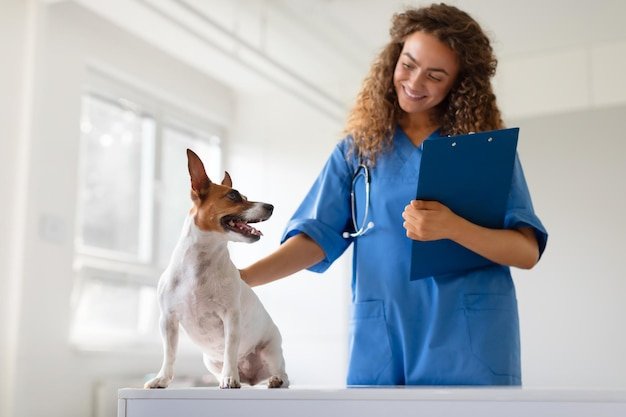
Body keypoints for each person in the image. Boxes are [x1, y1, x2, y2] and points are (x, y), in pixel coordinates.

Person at [239, 3, 548, 386]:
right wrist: (240, 279)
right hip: (383, 334)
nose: (415, 83)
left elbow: (526, 251)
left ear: (459, 83)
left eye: (435, 75)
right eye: (408, 64)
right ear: (393, 58)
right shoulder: (357, 152)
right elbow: (315, 238)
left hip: (470, 341)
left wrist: (452, 226)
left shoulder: (483, 151)